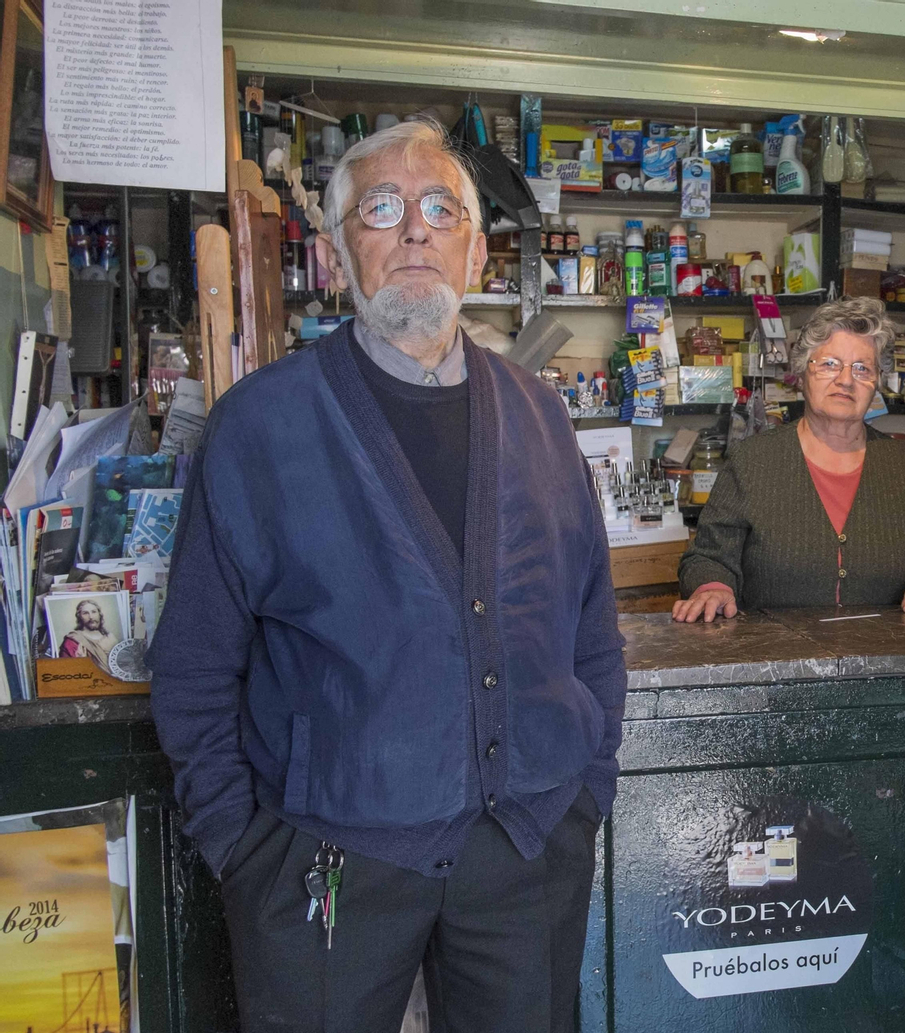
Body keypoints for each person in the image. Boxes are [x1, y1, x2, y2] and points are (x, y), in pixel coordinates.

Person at [148, 119, 625, 1033]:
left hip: (528, 853)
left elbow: (592, 624)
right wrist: (245, 853)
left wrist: (586, 791)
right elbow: (195, 666)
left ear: (477, 249)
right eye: (381, 207)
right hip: (326, 866)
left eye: (442, 208)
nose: (415, 229)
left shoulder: (540, 414)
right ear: (335, 254)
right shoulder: (259, 426)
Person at [674, 297, 905, 621]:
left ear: (876, 385)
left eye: (862, 369)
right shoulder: (752, 462)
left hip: (884, 659)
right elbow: (707, 558)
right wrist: (712, 587)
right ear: (802, 373)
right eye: (829, 364)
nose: (845, 380)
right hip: (776, 659)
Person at [57, 599, 115, 668]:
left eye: (94, 612)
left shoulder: (110, 638)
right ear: (79, 617)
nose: (91, 617)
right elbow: (65, 669)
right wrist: (82, 662)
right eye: (85, 613)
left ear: (99, 614)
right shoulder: (72, 642)